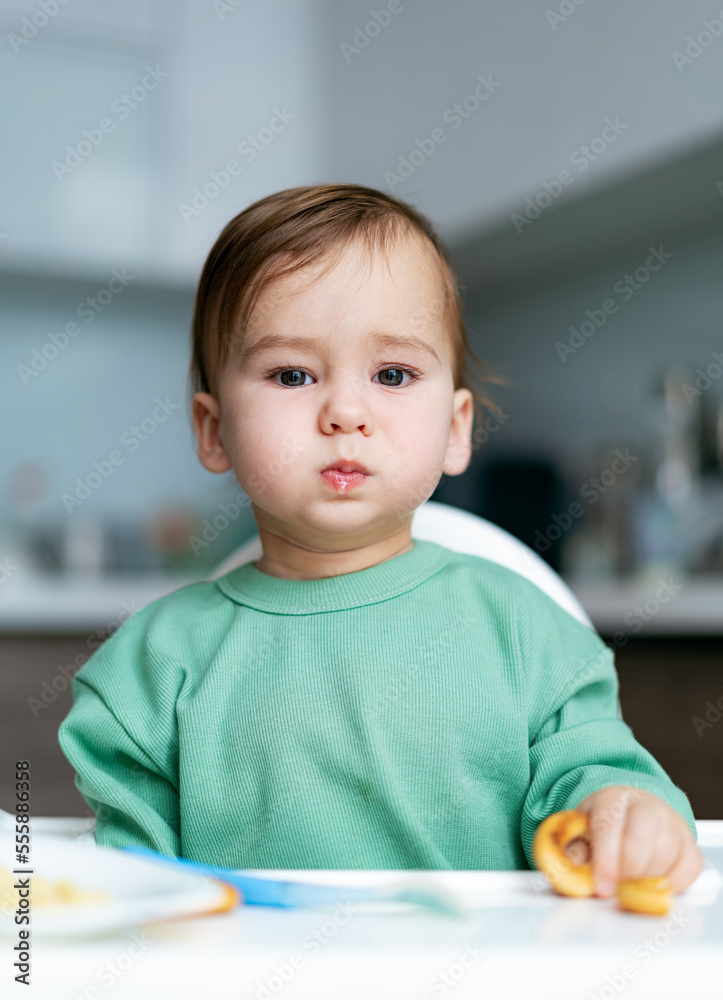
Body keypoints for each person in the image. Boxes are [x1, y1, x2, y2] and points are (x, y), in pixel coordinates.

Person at [58, 183, 703, 898]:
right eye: (291, 374)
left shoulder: (527, 635)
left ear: (456, 427)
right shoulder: (149, 670)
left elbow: (594, 774)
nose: (345, 411)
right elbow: (128, 900)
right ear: (214, 431)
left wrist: (621, 815)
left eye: (392, 374)